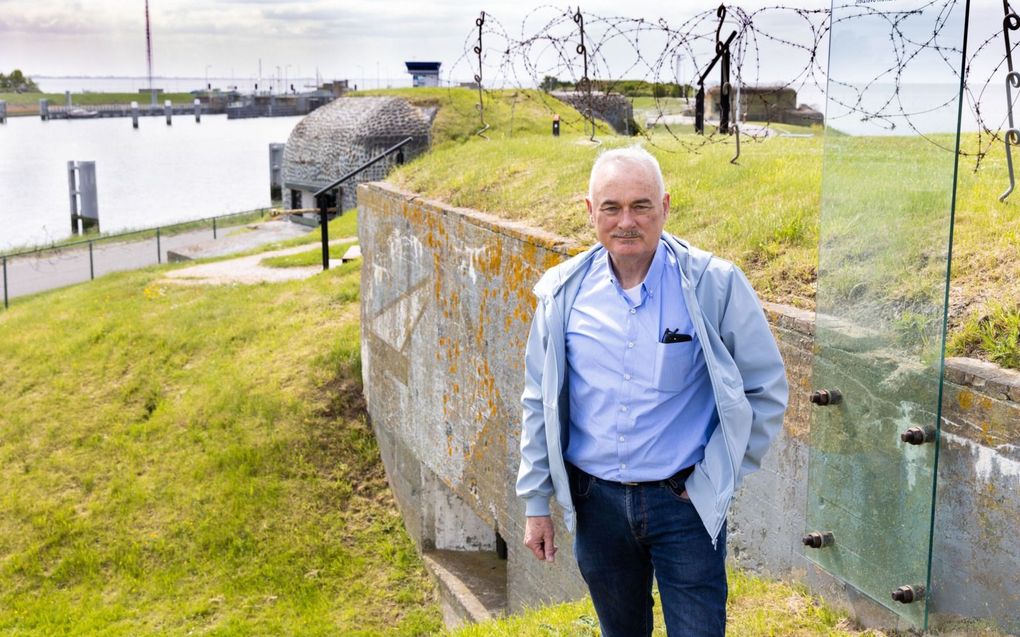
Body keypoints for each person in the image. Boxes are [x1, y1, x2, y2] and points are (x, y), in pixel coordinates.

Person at [516, 146, 788, 637]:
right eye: (611, 207)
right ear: (589, 211)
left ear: (665, 206)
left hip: (683, 503)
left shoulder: (714, 285)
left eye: (641, 206)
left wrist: (718, 476)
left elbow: (765, 389)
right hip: (595, 506)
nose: (626, 221)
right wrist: (537, 501)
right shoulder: (561, 295)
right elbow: (538, 400)